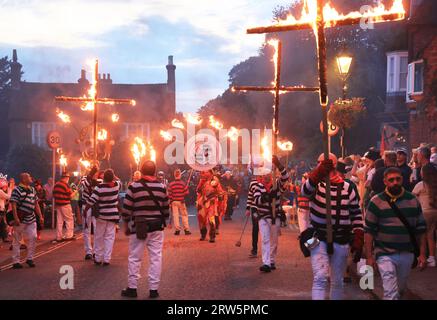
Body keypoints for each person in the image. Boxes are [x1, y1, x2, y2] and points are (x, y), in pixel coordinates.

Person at [301, 153, 363, 300]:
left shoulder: (348, 188)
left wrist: (359, 236)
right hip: (318, 238)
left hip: (341, 238)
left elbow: (356, 214)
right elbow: (305, 191)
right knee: (320, 277)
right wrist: (318, 173)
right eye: (318, 163)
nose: (319, 165)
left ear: (333, 164)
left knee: (337, 281)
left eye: (321, 163)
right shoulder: (316, 185)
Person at [365, 167, 427, 300]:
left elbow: (421, 230)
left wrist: (422, 254)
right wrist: (369, 257)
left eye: (398, 179)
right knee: (390, 292)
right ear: (385, 182)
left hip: (407, 253)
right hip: (384, 253)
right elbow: (369, 231)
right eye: (391, 180)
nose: (395, 182)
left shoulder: (412, 200)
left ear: (402, 180)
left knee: (400, 289)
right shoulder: (376, 201)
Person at [121, 161, 169, 299]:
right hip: (157, 227)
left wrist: (126, 226)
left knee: (135, 258)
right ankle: (154, 290)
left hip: (139, 228)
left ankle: (132, 288)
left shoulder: (133, 187)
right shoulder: (162, 187)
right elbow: (166, 209)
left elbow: (127, 209)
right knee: (156, 258)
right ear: (154, 172)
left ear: (141, 172)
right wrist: (164, 221)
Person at [253, 155, 289, 272]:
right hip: (263, 216)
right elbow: (257, 200)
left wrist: (279, 165)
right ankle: (266, 263)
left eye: (268, 173)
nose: (266, 175)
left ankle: (272, 260)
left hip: (275, 216)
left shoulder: (277, 183)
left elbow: (286, 177)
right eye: (264, 173)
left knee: (274, 240)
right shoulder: (257, 186)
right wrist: (268, 196)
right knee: (265, 239)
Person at [85, 169, 121, 266]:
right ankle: (107, 259)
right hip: (113, 215)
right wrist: (113, 176)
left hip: (102, 215)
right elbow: (118, 180)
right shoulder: (116, 186)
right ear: (112, 177)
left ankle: (98, 258)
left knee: (99, 237)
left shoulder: (99, 188)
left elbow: (91, 201)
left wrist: (85, 210)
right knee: (110, 237)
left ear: (104, 177)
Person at [10, 173, 44, 269]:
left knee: (33, 237)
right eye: (29, 177)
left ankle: (30, 258)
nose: (31, 178)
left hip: (31, 218)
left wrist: (40, 216)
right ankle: (16, 261)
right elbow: (14, 204)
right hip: (20, 219)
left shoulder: (32, 189)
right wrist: (16, 218)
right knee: (17, 240)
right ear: (24, 179)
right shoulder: (16, 190)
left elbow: (36, 203)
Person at [412, 164, 437, 267]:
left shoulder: (421, 185)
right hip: (435, 211)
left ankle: (424, 257)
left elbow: (412, 196)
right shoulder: (435, 184)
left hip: (424, 212)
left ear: (423, 173)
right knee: (431, 234)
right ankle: (432, 257)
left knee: (424, 235)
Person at [196, 170, 224, 243]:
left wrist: (220, 199)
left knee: (211, 218)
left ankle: (212, 236)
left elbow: (220, 191)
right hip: (202, 202)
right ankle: (203, 234)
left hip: (212, 202)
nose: (205, 173)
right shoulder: (202, 180)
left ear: (211, 173)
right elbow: (198, 190)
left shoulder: (215, 180)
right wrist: (201, 182)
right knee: (201, 219)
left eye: (206, 172)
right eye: (204, 172)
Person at [80, 165, 100, 260]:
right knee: (86, 229)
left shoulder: (100, 180)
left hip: (95, 207)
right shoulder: (84, 179)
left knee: (97, 229)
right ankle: (88, 251)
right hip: (86, 206)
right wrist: (91, 175)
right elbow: (86, 185)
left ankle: (96, 251)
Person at [53, 173, 75, 242]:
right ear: (66, 178)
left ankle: (59, 237)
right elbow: (70, 196)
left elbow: (53, 195)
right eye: (68, 178)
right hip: (65, 204)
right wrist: (75, 192)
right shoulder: (65, 185)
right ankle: (69, 236)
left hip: (58, 205)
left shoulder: (56, 185)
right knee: (69, 220)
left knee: (59, 221)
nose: (68, 179)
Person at [168, 169, 191, 236]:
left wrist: (170, 201)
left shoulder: (171, 184)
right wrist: (185, 189)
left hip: (174, 202)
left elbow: (170, 194)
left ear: (174, 175)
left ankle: (177, 230)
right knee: (184, 215)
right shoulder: (183, 183)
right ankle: (186, 230)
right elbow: (186, 193)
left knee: (176, 216)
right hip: (181, 201)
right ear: (180, 175)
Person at [0, 178, 11, 243]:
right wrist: (9, 189)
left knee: (3, 225)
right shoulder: (0, 191)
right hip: (0, 210)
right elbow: (8, 197)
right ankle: (4, 238)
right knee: (2, 224)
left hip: (1, 210)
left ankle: (4, 238)